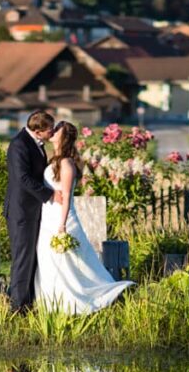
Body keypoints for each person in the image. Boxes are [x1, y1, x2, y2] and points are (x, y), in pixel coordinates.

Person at [34, 121, 135, 313]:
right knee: (49, 262)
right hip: (47, 217)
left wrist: (62, 225)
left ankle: (77, 302)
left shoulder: (66, 163)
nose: (52, 132)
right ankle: (52, 304)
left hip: (60, 219)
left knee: (69, 264)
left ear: (64, 138)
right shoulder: (53, 160)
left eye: (57, 131)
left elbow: (65, 196)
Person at [4, 111, 63, 312]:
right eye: (50, 130)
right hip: (21, 212)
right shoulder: (19, 145)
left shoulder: (35, 143)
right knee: (22, 258)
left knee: (31, 257)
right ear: (38, 131)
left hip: (32, 210)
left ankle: (27, 302)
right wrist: (50, 194)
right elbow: (23, 178)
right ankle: (18, 307)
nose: (52, 132)